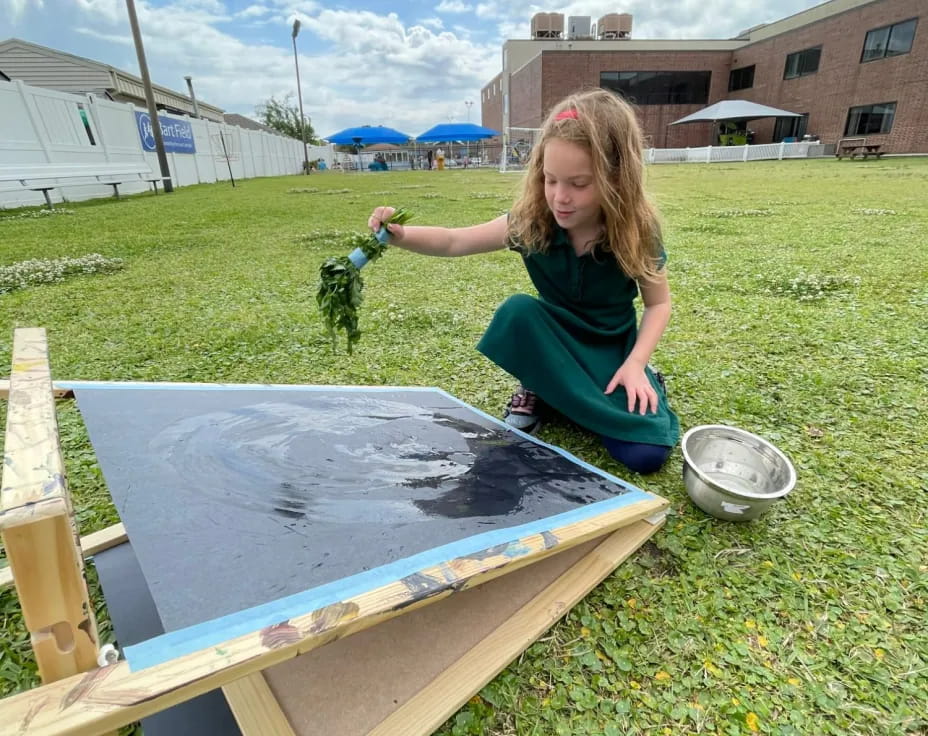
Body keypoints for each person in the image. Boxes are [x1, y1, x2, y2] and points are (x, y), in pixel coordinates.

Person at [367, 89, 679, 474]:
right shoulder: (532, 220)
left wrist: (635, 363)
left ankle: (637, 380)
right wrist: (401, 234)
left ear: (617, 177)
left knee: (643, 456)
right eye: (550, 180)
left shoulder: (637, 231)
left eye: (579, 184)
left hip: (611, 348)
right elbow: (454, 240)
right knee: (520, 311)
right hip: (553, 340)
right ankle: (540, 385)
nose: (560, 198)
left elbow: (658, 304)